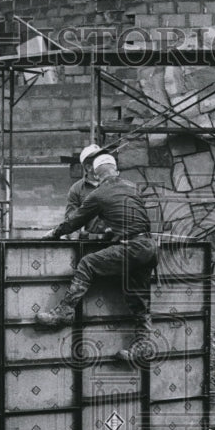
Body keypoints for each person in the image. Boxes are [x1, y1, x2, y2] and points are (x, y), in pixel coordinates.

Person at [35, 154, 159, 363]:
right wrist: (116, 231)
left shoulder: (98, 195)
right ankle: (143, 348)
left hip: (131, 248)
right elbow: (138, 219)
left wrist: (54, 233)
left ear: (96, 174)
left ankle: (64, 311)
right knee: (139, 302)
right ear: (116, 171)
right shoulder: (132, 188)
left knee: (87, 263)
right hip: (149, 248)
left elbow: (74, 221)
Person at [64, 143, 108, 239]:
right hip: (89, 243)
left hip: (114, 242)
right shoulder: (76, 190)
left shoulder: (113, 184)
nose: (104, 163)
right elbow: (71, 223)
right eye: (100, 161)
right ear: (88, 167)